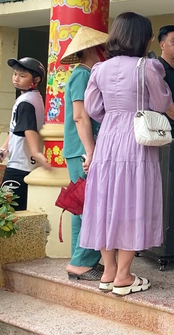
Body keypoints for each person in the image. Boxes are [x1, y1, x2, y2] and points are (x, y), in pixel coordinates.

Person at [80, 12, 173, 296]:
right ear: (143, 39)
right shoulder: (149, 67)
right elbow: (162, 102)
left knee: (105, 204)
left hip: (108, 139)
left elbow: (94, 109)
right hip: (137, 141)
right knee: (134, 203)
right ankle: (124, 275)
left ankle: (107, 272)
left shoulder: (99, 69)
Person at [59, 26, 108, 281]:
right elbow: (80, 116)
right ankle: (81, 262)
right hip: (83, 150)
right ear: (92, 49)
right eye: (104, 47)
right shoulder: (82, 75)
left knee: (82, 206)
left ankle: (80, 261)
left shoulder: (84, 74)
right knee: (90, 207)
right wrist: (91, 152)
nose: (108, 52)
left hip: (80, 149)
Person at [0, 57, 49, 211]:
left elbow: (29, 130)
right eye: (15, 74)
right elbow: (17, 128)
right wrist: (4, 148)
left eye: (22, 76)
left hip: (19, 167)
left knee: (7, 213)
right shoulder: (33, 98)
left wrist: (35, 151)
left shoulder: (26, 102)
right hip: (24, 164)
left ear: (36, 79)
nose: (16, 78)